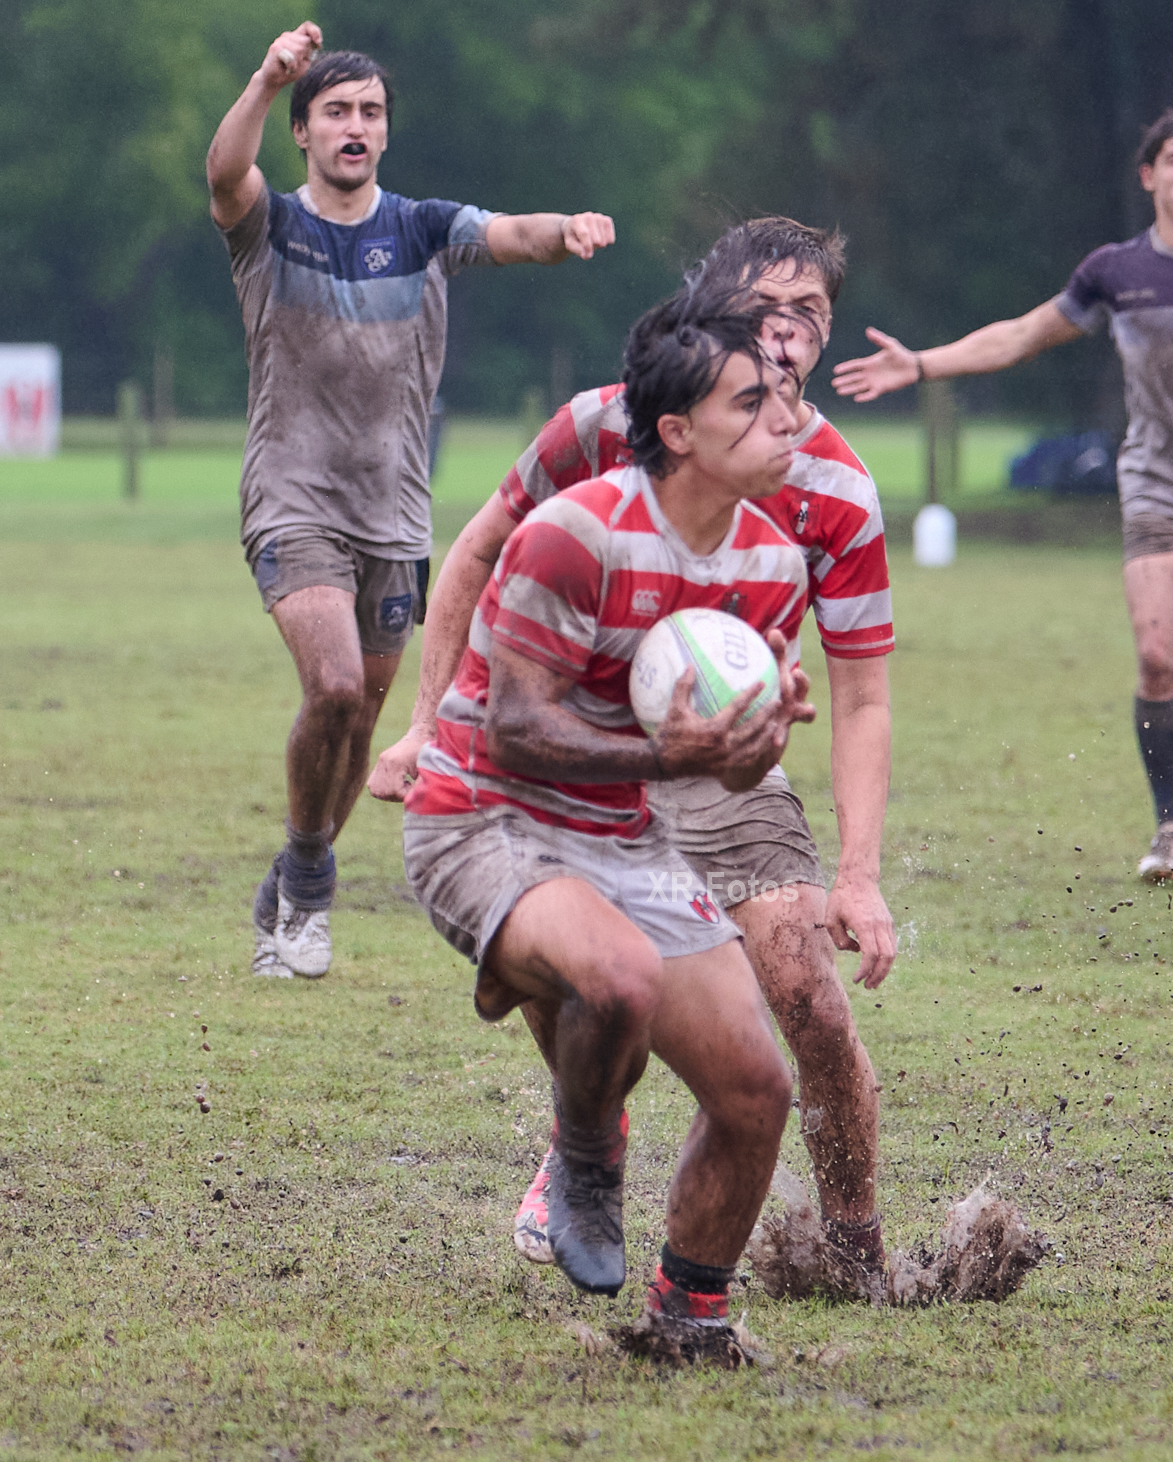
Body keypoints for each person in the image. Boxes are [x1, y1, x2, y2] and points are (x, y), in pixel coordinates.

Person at [371, 218, 899, 1296]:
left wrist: (841, 852)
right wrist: (423, 723)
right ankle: (587, 1142)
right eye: (765, 311)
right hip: (547, 772)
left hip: (699, 762)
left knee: (800, 1003)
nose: (788, 337)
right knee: (593, 973)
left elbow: (859, 694)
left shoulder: (814, 512)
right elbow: (478, 565)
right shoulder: (594, 452)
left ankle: (841, 1255)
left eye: (810, 315)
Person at [402, 288, 815, 1364]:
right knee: (621, 977)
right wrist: (671, 757)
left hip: (621, 834)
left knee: (757, 1088)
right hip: (480, 815)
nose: (785, 421)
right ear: (676, 431)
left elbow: (731, 768)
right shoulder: (574, 534)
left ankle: (689, 1317)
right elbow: (515, 726)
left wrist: (760, 734)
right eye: (750, 404)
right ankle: (586, 1159)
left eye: (781, 400)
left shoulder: (771, 565)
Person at [204, 22, 616, 978]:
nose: (356, 126)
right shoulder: (272, 227)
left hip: (394, 514)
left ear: (386, 130)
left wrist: (565, 232)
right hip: (292, 499)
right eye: (336, 112)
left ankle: (295, 871)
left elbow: (511, 235)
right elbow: (225, 174)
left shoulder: (423, 227)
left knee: (359, 724)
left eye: (371, 112)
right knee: (335, 687)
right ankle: (312, 886)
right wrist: (266, 79)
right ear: (302, 131)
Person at [833, 109, 1173, 887]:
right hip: (1156, 485)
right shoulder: (1116, 270)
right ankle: (1172, 828)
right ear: (1149, 175)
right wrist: (923, 365)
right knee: (1157, 657)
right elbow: (1021, 335)